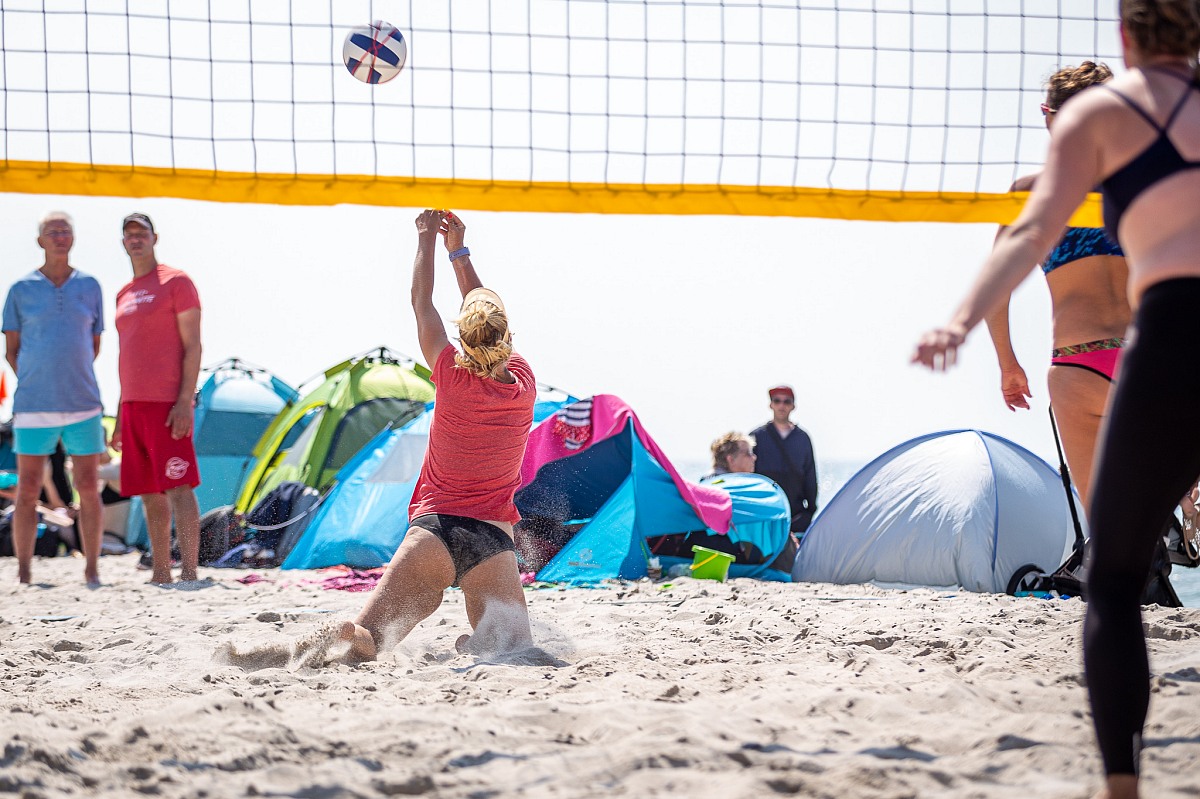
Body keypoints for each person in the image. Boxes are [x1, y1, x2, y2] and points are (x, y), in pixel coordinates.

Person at [913, 3, 1200, 795]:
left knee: (1112, 563)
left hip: (1083, 361)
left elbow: (1020, 247)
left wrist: (982, 341)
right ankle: (1187, 497)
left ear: (1128, 37)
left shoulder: (1074, 154)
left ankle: (1122, 782)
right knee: (1166, 479)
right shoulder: (1149, 145)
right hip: (1164, 343)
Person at [337, 209, 538, 662]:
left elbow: (421, 301)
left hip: (433, 532)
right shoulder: (524, 383)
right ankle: (478, 645)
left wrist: (426, 237)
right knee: (514, 651)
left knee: (368, 641)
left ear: (462, 338)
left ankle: (350, 635)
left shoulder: (449, 371)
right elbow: (485, 318)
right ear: (507, 337)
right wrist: (459, 253)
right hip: (491, 540)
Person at [984, 62, 1127, 508]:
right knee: (1163, 499)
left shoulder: (1032, 192)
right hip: (1151, 355)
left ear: (1049, 116)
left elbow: (995, 289)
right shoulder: (1142, 186)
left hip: (1080, 361)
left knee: (1106, 518)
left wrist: (1009, 365)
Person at [1, 211, 106, 586]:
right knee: (28, 489)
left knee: (88, 486)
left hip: (83, 403)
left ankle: (92, 569)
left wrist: (67, 377)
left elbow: (93, 345)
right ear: (40, 240)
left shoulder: (90, 286)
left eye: (65, 231)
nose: (60, 236)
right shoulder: (20, 289)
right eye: (52, 231)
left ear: (72, 238)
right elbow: (11, 351)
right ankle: (24, 571)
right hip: (33, 405)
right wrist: (38, 380)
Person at [111, 213, 203, 585]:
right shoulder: (124, 293)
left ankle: (190, 571)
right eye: (129, 234)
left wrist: (184, 401)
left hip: (167, 402)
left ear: (154, 238)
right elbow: (126, 355)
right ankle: (161, 571)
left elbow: (193, 346)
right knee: (149, 493)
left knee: (179, 486)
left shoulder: (176, 282)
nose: (135, 239)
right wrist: (120, 414)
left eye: (142, 233)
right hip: (133, 405)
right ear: (123, 242)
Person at [750, 385, 818, 533]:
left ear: (793, 406)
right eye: (777, 401)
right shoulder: (756, 437)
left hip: (796, 516)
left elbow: (810, 476)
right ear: (771, 404)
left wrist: (810, 511)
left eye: (787, 401)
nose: (782, 405)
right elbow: (747, 475)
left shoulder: (802, 438)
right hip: (764, 516)